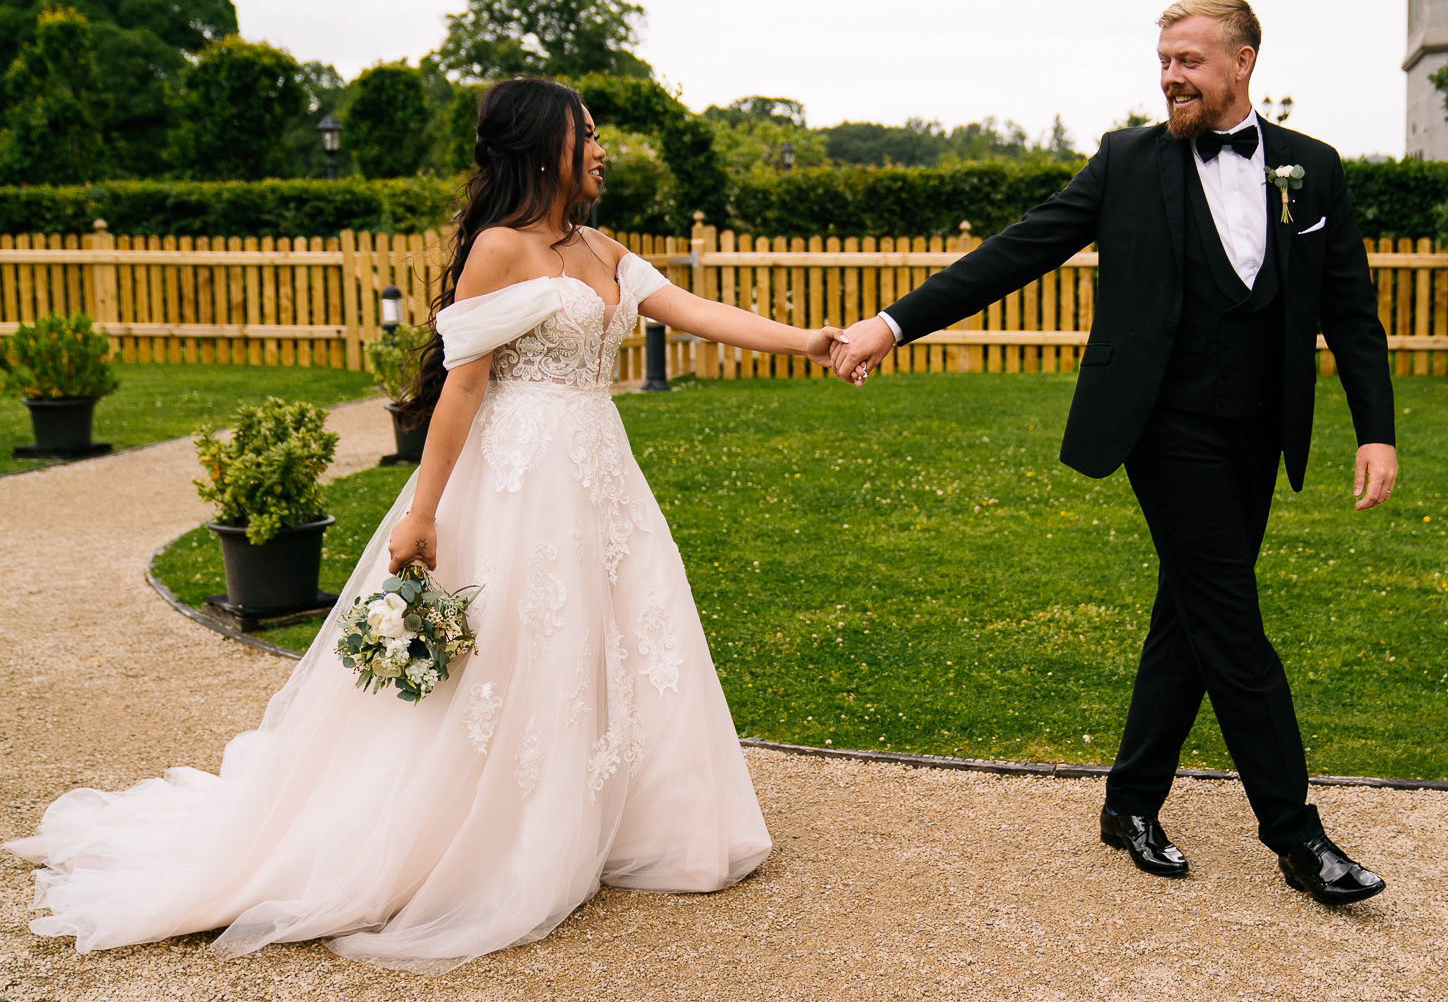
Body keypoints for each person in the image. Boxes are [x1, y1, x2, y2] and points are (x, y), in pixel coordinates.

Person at [7, 77, 847, 973]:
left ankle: (609, 818)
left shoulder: (602, 249)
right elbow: (462, 388)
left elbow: (697, 313)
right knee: (520, 648)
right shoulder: (499, 250)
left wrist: (810, 342)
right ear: (540, 148)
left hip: (601, 476)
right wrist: (422, 510)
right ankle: (502, 835)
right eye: (587, 134)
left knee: (623, 636)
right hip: (518, 483)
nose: (601, 149)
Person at [830, 0, 1398, 905]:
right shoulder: (1129, 162)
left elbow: (1352, 314)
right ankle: (1298, 838)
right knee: (1229, 619)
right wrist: (894, 323)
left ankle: (1130, 801)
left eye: (1190, 61)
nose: (1170, 75)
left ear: (1243, 64)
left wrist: (1376, 428)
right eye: (1164, 59)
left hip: (1258, 431)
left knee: (1189, 612)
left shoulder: (1311, 170)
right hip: (1163, 428)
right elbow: (1017, 251)